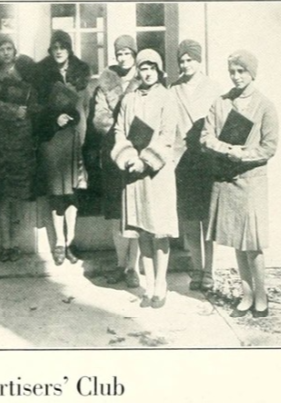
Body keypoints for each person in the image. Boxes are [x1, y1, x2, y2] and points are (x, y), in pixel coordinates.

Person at [200, 50, 278, 318]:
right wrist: (225, 149)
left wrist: (243, 154)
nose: (236, 76)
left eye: (241, 71)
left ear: (252, 73)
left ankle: (261, 294)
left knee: (252, 242)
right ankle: (245, 294)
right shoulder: (220, 103)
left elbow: (269, 147)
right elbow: (205, 136)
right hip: (227, 180)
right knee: (236, 240)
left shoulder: (265, 106)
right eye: (232, 71)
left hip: (251, 181)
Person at [111, 49, 179, 309]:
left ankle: (161, 284)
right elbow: (119, 129)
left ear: (159, 70)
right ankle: (148, 285)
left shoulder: (166, 98)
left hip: (156, 174)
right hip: (133, 175)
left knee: (158, 230)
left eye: (152, 67)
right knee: (142, 231)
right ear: (137, 70)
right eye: (143, 68)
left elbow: (166, 136)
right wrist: (127, 156)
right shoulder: (129, 99)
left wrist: (145, 161)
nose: (147, 72)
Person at [0, 34, 39, 262]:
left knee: (20, 193)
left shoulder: (26, 72)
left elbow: (33, 103)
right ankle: (6, 243)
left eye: (9, 48)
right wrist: (15, 111)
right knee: (3, 193)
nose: (6, 52)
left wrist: (27, 113)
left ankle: (17, 242)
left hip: (22, 140)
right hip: (0, 141)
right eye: (1, 49)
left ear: (15, 50)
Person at [34, 30, 90, 266]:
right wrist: (52, 120)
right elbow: (34, 109)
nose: (59, 51)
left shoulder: (80, 73)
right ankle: (58, 242)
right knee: (57, 193)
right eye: (55, 47)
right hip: (53, 139)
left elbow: (86, 107)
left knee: (73, 191)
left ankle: (71, 242)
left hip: (75, 139)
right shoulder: (41, 74)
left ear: (69, 49)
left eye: (63, 47)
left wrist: (82, 134)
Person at [170, 39, 222, 291]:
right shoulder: (174, 89)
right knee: (190, 219)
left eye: (190, 59)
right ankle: (197, 268)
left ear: (199, 61)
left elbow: (221, 124)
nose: (185, 64)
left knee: (207, 219)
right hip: (183, 162)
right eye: (182, 60)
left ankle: (210, 270)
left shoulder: (214, 88)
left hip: (207, 160)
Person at [92, 35, 141, 285]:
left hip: (138, 153)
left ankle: (134, 267)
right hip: (113, 153)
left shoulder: (144, 77)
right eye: (118, 54)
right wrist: (120, 129)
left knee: (136, 210)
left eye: (126, 53)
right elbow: (100, 118)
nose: (122, 58)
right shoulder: (106, 83)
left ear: (134, 54)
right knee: (115, 212)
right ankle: (120, 263)